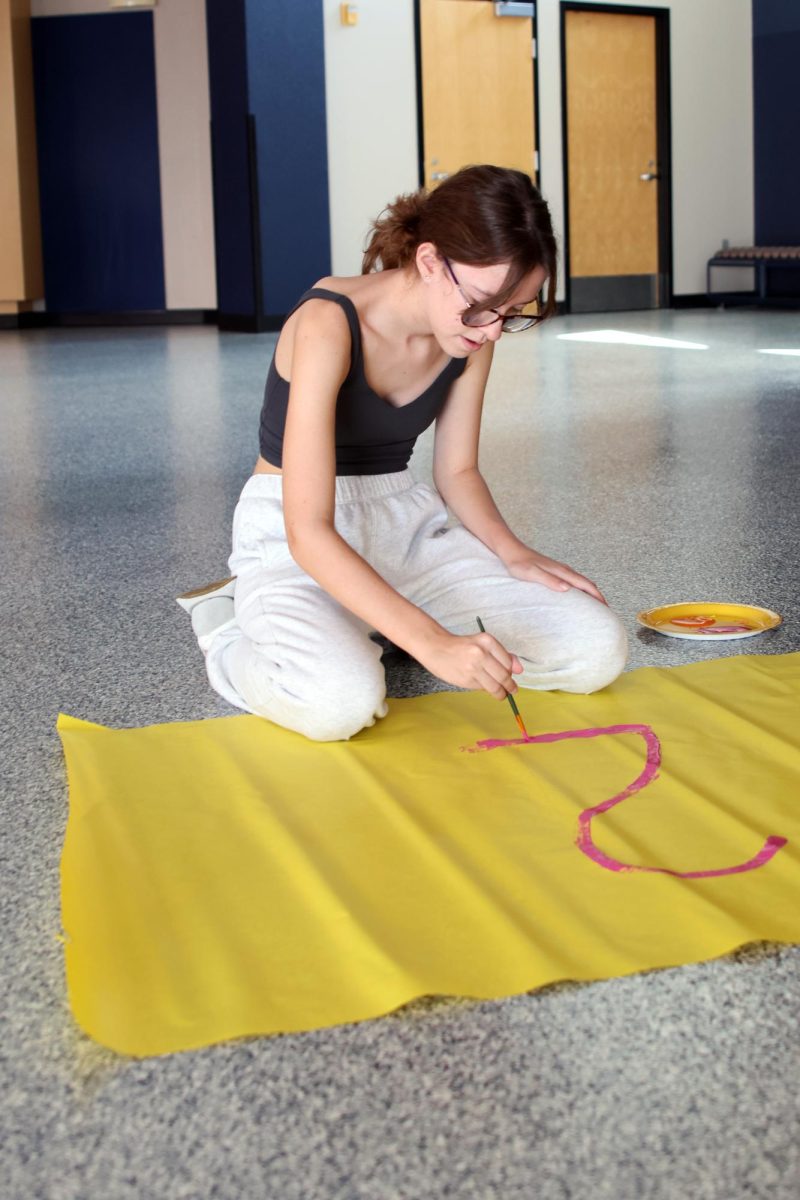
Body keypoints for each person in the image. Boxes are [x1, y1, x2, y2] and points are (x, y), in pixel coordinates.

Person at [178, 165, 627, 741]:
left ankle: (382, 623)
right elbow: (308, 530)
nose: (493, 329)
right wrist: (433, 641)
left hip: (402, 523)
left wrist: (514, 553)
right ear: (430, 261)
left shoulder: (468, 335)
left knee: (595, 650)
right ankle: (228, 630)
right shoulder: (327, 323)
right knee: (339, 705)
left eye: (515, 311)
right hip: (297, 535)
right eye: (486, 304)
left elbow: (457, 469)